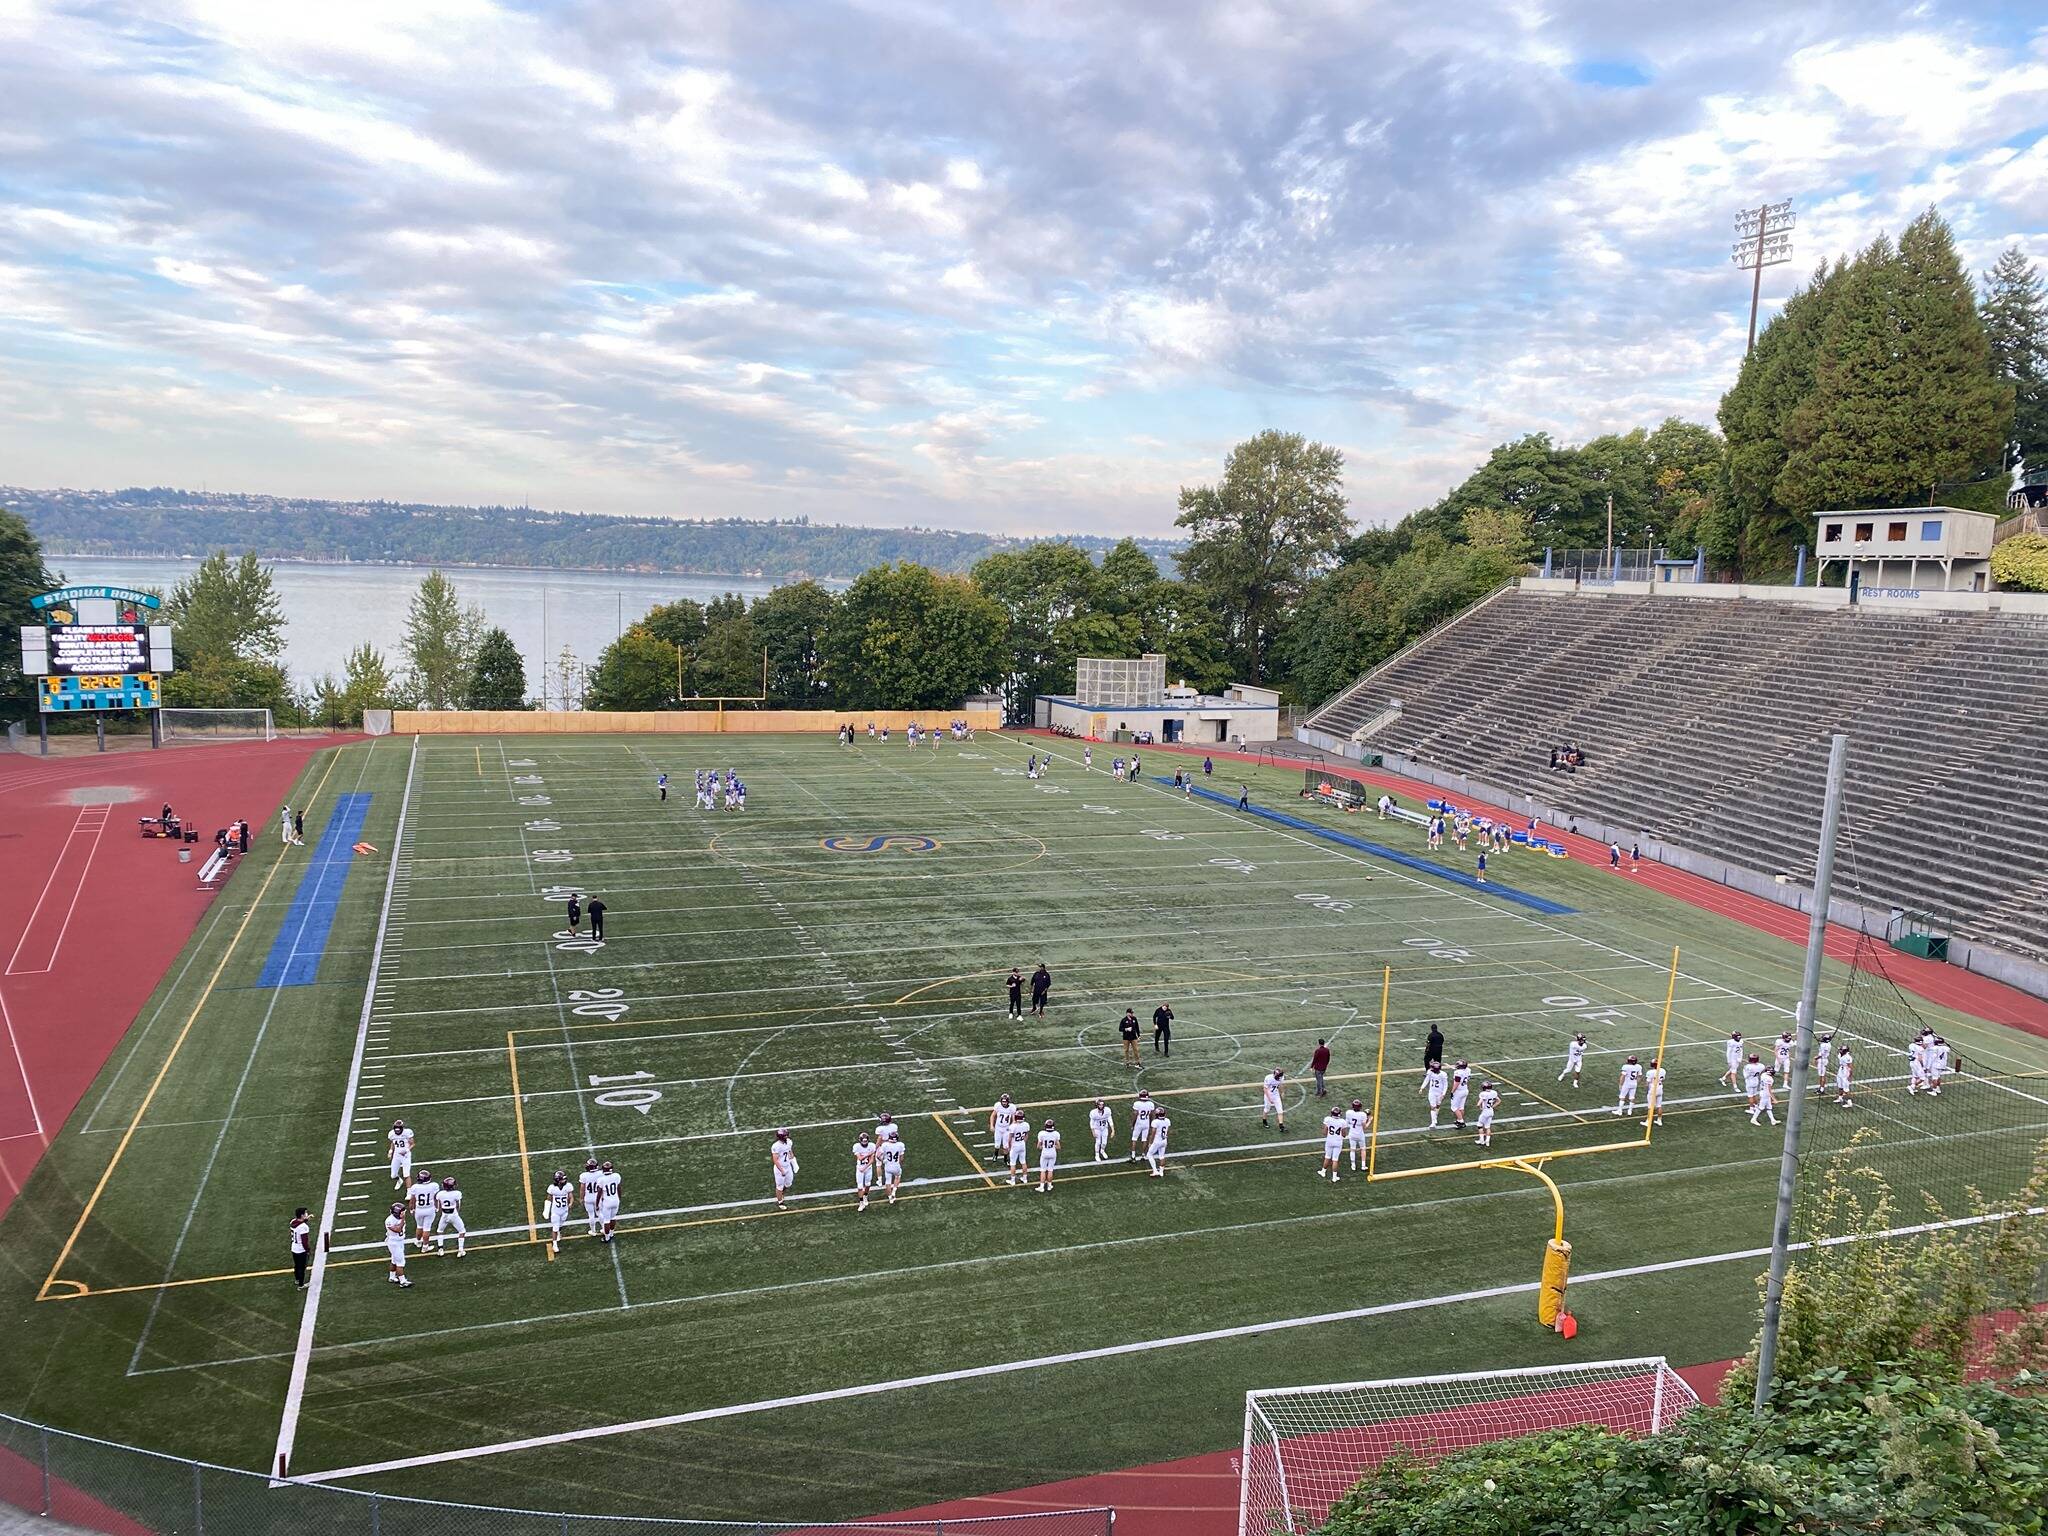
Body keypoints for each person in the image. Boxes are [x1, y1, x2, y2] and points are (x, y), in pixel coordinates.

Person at [433, 1175, 467, 1257]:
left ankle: (440, 1249)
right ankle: (460, 1250)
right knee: (462, 1231)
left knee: (440, 1231)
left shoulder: (440, 1194)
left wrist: (438, 1209)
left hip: (444, 1215)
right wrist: (457, 1212)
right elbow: (458, 1205)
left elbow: (437, 1203)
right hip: (453, 1214)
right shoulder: (457, 1193)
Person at [544, 1170, 574, 1253]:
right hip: (555, 1211)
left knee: (560, 1225)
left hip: (564, 1210)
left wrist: (571, 1203)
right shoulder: (552, 1188)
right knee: (555, 1227)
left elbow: (571, 1196)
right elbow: (548, 1199)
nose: (564, 1181)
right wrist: (546, 1211)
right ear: (557, 1180)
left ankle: (559, 1232)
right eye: (562, 1179)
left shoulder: (568, 1186)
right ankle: (555, 1245)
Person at [384, 1202, 413, 1287]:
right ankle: (402, 1281)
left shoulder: (398, 1218)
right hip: (394, 1242)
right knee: (400, 1262)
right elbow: (398, 1230)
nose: (404, 1213)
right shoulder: (389, 1220)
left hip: (399, 1241)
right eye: (402, 1212)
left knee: (394, 1260)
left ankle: (392, 1277)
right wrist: (403, 1220)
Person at [409, 1168, 439, 1248]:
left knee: (419, 1226)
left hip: (419, 1209)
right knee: (426, 1228)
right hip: (429, 1209)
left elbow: (412, 1200)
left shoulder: (415, 1187)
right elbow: (436, 1198)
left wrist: (411, 1209)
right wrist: (437, 1207)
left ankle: (418, 1242)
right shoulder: (434, 1185)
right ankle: (425, 1246)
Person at [771, 1129, 798, 1208]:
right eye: (785, 1135)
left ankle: (782, 1193)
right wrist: (781, 1170)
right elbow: (775, 1160)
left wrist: (794, 1163)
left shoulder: (789, 1142)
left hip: (788, 1166)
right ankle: (780, 1202)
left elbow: (790, 1152)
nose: (787, 1136)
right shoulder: (776, 1146)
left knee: (788, 1184)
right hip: (780, 1169)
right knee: (779, 1186)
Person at [1319, 1105, 1347, 1181]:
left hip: (1329, 1141)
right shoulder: (1343, 1122)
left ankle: (1323, 1171)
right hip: (1338, 1142)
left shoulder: (1328, 1119)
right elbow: (1344, 1134)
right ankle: (1334, 1177)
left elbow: (1324, 1132)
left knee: (1327, 1157)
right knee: (1335, 1159)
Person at [597, 1160, 622, 1242]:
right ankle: (611, 1233)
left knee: (606, 1220)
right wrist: (619, 1198)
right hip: (615, 1200)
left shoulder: (601, 1179)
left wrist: (597, 1203)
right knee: (613, 1217)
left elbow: (599, 1193)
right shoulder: (617, 1176)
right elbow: (619, 1188)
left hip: (607, 1202)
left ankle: (607, 1237)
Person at [853, 1131, 877, 1213]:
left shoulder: (871, 1146)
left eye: (866, 1141)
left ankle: (865, 1196)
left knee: (868, 1184)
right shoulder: (856, 1146)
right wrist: (868, 1153)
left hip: (868, 1168)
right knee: (860, 1187)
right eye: (863, 1141)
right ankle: (861, 1203)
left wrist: (865, 1167)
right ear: (860, 1140)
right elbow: (860, 1158)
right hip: (860, 1169)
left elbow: (872, 1160)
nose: (864, 1142)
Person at [1419, 1060, 1448, 1127]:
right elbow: (1427, 1079)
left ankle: (1435, 1116)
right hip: (1432, 1092)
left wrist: (1443, 1094)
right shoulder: (1430, 1072)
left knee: (1438, 1105)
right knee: (1433, 1107)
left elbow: (1445, 1084)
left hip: (1439, 1092)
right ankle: (1433, 1122)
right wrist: (1422, 1088)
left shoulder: (1443, 1075)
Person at [1129, 1090, 1156, 1162]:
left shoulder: (1137, 1104)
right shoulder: (1150, 1104)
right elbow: (1152, 1115)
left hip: (1138, 1123)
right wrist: (1151, 1123)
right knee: (1144, 1139)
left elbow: (1135, 1114)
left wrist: (1132, 1124)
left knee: (1134, 1139)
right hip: (1146, 1123)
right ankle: (1143, 1155)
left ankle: (1133, 1156)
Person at [1344, 1098, 1371, 1170]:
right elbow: (1365, 1127)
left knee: (1352, 1149)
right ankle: (1363, 1165)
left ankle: (1353, 1165)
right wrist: (1370, 1120)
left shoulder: (1348, 1112)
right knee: (1363, 1149)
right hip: (1360, 1134)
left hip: (1352, 1133)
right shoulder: (1363, 1115)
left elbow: (1347, 1123)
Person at [289, 1207, 312, 1290]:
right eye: (305, 1213)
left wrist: (306, 1219)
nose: (307, 1214)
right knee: (302, 1267)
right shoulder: (303, 1227)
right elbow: (304, 1241)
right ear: (302, 1215)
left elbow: (298, 1224)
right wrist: (308, 1250)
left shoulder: (293, 1222)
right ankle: (301, 1285)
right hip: (301, 1249)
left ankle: (297, 1280)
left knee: (297, 1266)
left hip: (294, 1248)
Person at [1035, 1118, 1061, 1193]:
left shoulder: (1041, 1134)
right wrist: (1052, 1146)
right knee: (1050, 1170)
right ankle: (1049, 1185)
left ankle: (1042, 1187)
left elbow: (1038, 1147)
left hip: (1045, 1153)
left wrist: (1043, 1146)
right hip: (1053, 1153)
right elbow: (1058, 1147)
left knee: (1043, 1170)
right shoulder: (1056, 1134)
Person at [387, 1119, 414, 1189]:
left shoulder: (407, 1132)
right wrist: (390, 1151)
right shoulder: (391, 1134)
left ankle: (409, 1192)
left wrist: (406, 1150)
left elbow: (412, 1144)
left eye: (399, 1130)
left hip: (406, 1156)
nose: (397, 1131)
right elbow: (393, 1142)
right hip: (396, 1155)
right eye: (396, 1130)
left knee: (406, 1174)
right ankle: (399, 1180)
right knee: (393, 1175)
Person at [579, 1158, 604, 1236]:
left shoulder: (584, 1175)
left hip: (588, 1197)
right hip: (598, 1197)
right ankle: (604, 1228)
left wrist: (581, 1198)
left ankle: (593, 1231)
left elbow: (582, 1189)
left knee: (591, 1214)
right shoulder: (600, 1173)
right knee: (599, 1213)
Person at [880, 1133, 906, 1205]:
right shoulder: (900, 1145)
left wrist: (883, 1161)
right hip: (896, 1165)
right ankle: (894, 1191)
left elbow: (879, 1156)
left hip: (888, 1166)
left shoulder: (885, 1145)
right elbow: (902, 1158)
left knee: (888, 1182)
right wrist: (899, 1164)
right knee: (897, 1177)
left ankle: (890, 1197)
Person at [1006, 1113, 1032, 1185]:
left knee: (1013, 1163)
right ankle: (1025, 1178)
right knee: (1023, 1162)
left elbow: (1010, 1138)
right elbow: (1026, 1135)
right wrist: (1023, 1142)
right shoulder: (1026, 1124)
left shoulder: (1013, 1126)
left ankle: (1013, 1180)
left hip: (1015, 1145)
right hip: (1022, 1144)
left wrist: (1009, 1147)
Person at [1145, 1108, 1171, 1178]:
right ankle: (1161, 1172)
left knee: (1149, 1154)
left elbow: (1153, 1133)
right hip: (1164, 1140)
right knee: (1162, 1156)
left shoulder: (1155, 1122)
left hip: (1157, 1141)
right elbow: (1167, 1131)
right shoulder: (1167, 1120)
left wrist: (1150, 1142)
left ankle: (1155, 1171)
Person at [1475, 1082, 1501, 1148]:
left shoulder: (1483, 1094)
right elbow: (1499, 1101)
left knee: (1479, 1125)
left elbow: (1478, 1104)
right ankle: (1487, 1141)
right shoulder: (1493, 1093)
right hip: (1491, 1111)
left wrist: (1480, 1107)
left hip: (1485, 1112)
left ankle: (1481, 1141)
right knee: (1488, 1127)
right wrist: (1492, 1106)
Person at [1449, 1060, 1472, 1127]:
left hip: (1459, 1091)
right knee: (1461, 1107)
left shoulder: (1458, 1072)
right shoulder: (1468, 1070)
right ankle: (1459, 1120)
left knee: (1454, 1107)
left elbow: (1457, 1083)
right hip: (1465, 1089)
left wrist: (1452, 1091)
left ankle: (1461, 1121)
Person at [1645, 1058, 1666, 1126]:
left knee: (1650, 1106)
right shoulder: (1663, 1070)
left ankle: (1648, 1121)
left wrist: (1647, 1088)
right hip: (1660, 1088)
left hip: (1653, 1088)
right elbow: (1663, 1079)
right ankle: (1659, 1120)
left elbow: (1647, 1082)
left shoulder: (1650, 1072)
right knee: (1659, 1105)